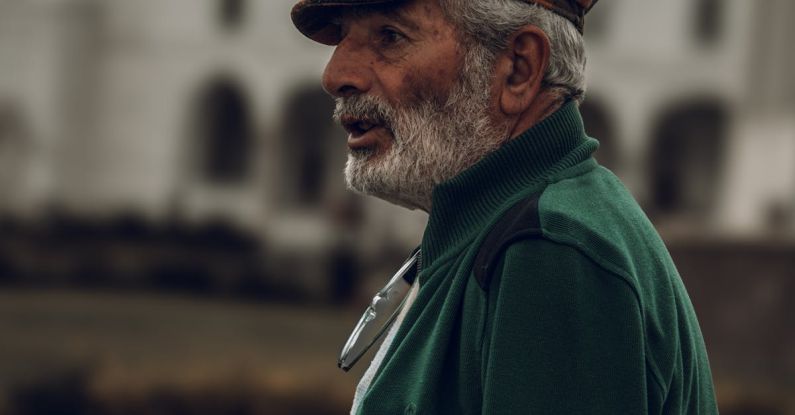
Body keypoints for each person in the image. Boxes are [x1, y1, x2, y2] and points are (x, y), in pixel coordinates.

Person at [291, 0, 719, 413]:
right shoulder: (506, 226)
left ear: (519, 68)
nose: (335, 74)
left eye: (390, 36)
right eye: (345, 36)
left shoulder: (550, 249)